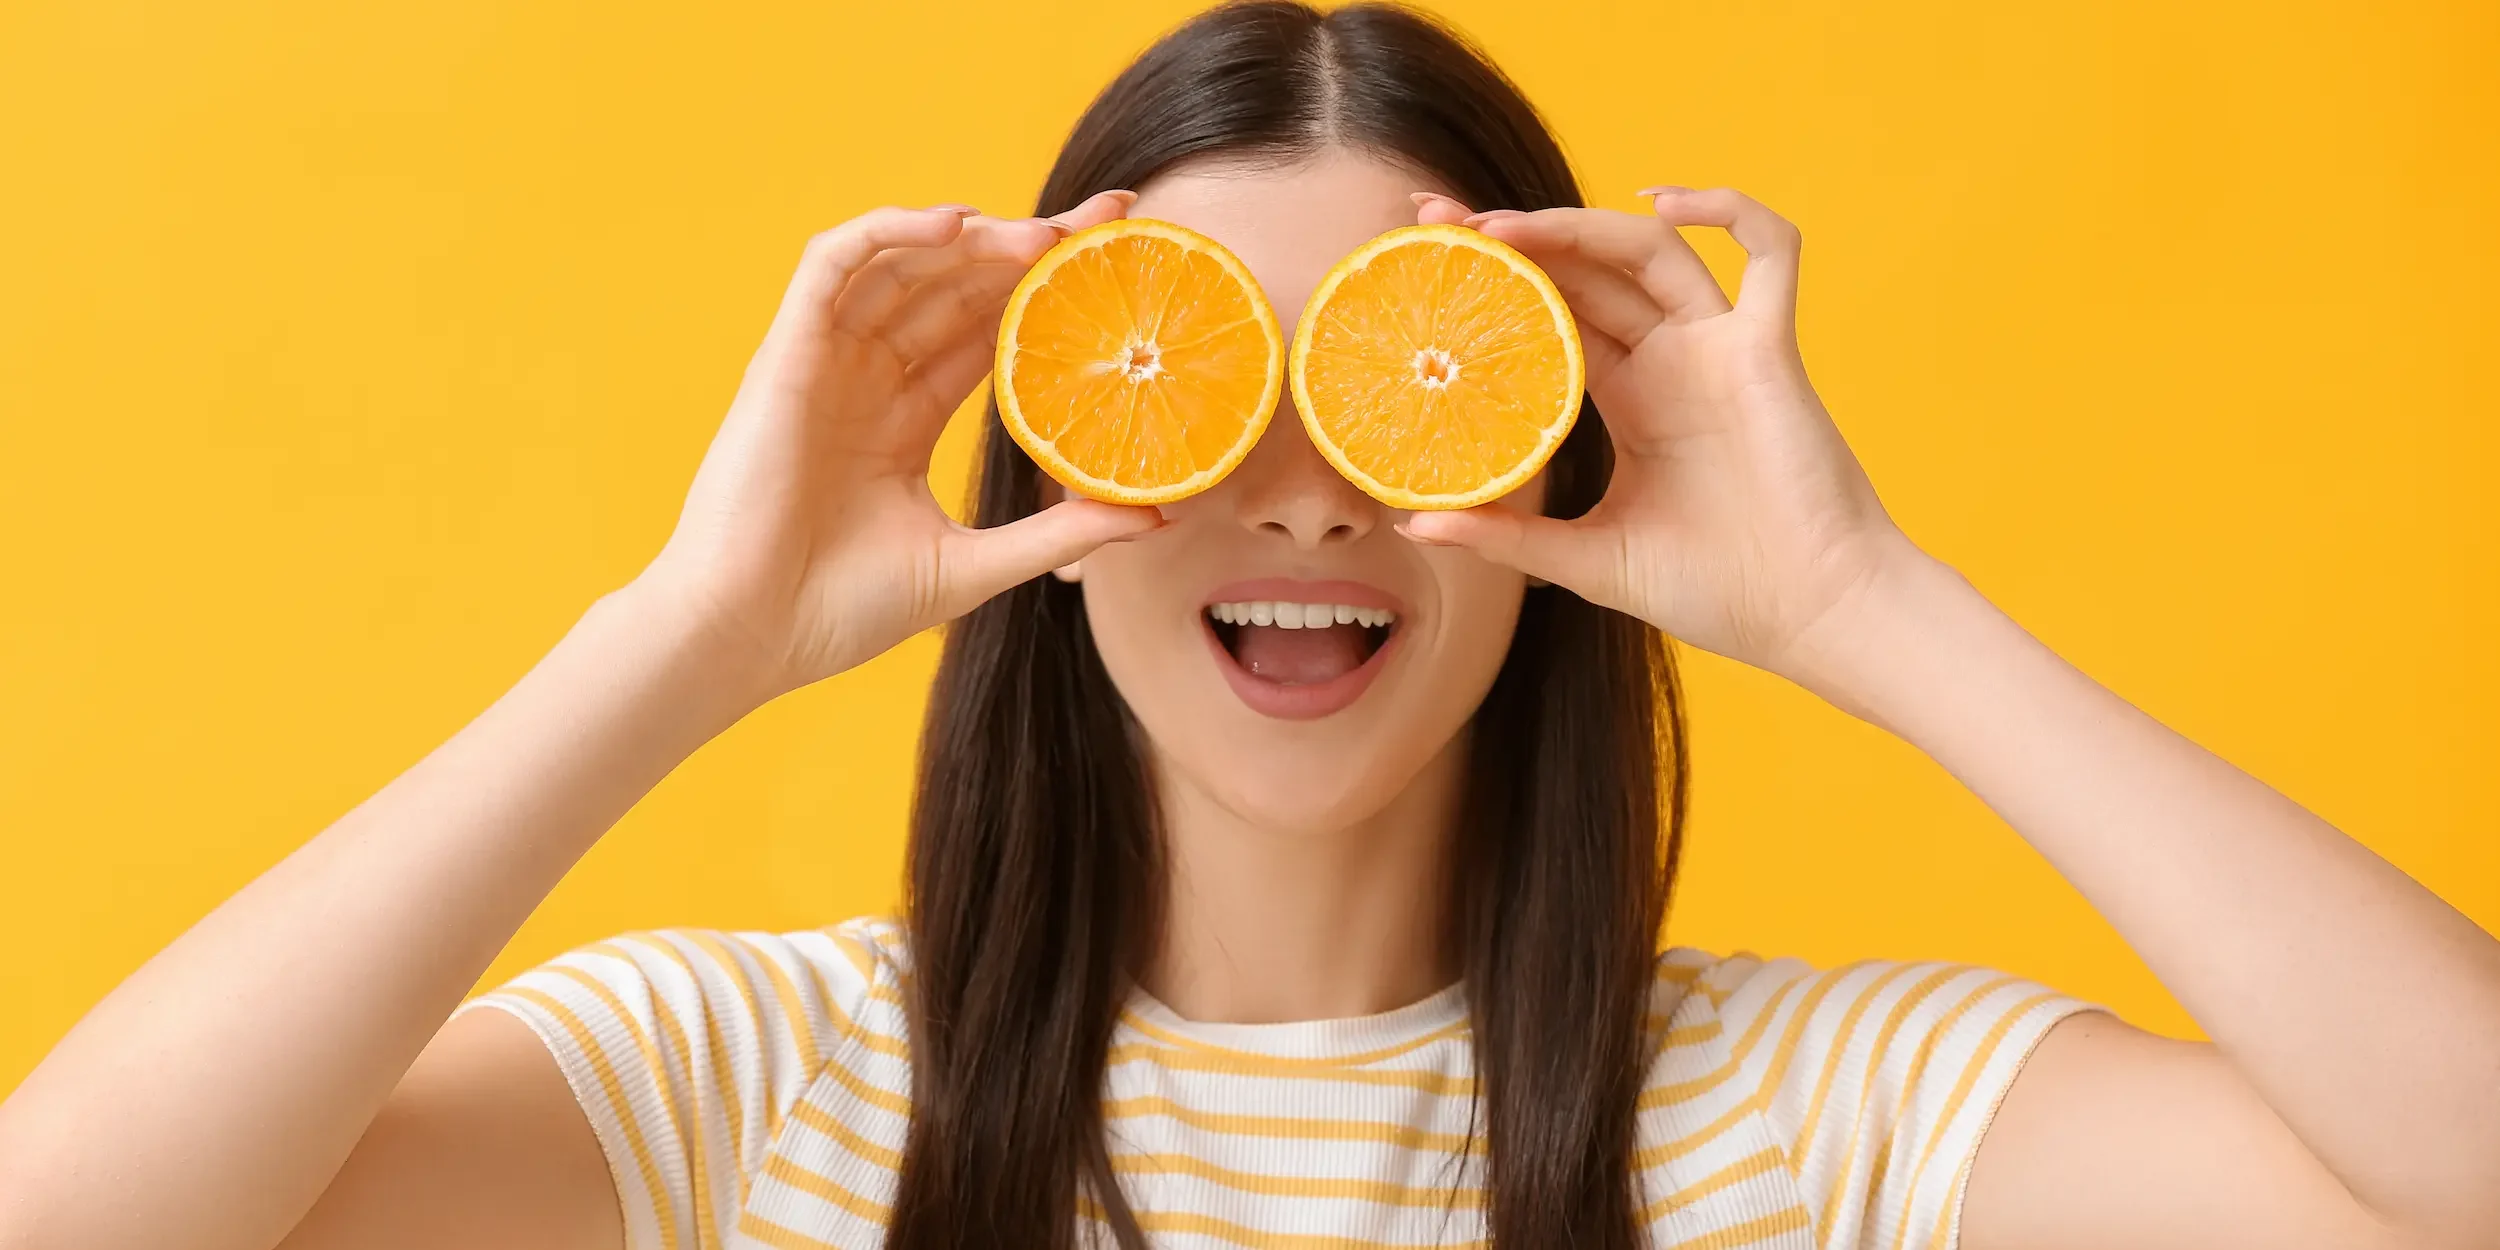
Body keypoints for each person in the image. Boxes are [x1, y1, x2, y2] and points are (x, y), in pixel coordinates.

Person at [3, 3, 2494, 1248]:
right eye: (1192, 391)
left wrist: (1861, 600)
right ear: (1048, 452)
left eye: (1408, 392)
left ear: (1555, 456)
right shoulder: (743, 1076)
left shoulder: (1810, 1116)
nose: (1300, 494)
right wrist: (691, 627)